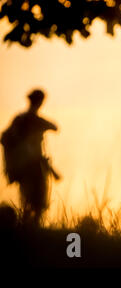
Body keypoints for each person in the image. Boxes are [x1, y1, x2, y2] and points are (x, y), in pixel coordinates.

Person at [1, 89, 60, 225]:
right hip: (33, 166)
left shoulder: (19, 119)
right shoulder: (33, 120)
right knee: (38, 202)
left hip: (22, 167)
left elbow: (4, 138)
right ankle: (32, 229)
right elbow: (55, 127)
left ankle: (27, 229)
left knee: (27, 201)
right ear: (40, 102)